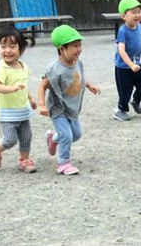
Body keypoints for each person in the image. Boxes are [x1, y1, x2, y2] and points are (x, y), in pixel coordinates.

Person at [38, 25, 101, 175]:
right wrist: (41, 105)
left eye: (80, 45)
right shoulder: (55, 69)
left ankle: (53, 139)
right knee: (66, 135)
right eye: (74, 46)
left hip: (72, 107)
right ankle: (63, 163)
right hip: (58, 108)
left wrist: (90, 85)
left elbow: (78, 77)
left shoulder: (77, 62)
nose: (79, 49)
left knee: (76, 134)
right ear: (61, 48)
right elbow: (42, 86)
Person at [0, 26, 38, 173]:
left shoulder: (23, 66)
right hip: (7, 112)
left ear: (21, 49)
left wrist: (31, 99)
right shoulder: (1, 68)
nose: (7, 50)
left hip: (22, 109)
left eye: (12, 46)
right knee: (10, 140)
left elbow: (24, 86)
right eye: (3, 46)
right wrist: (12, 88)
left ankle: (24, 160)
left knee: (26, 136)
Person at [113, 0, 141, 121]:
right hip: (123, 67)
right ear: (123, 16)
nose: (137, 15)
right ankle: (120, 110)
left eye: (139, 12)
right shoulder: (123, 31)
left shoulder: (139, 26)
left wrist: (135, 64)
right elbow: (121, 50)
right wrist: (131, 65)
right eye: (133, 12)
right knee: (125, 91)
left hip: (136, 63)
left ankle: (136, 101)